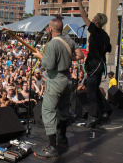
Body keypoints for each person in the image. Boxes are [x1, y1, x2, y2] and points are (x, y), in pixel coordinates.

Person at [32, 18, 84, 159]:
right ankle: (62, 139)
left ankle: (52, 147)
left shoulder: (51, 44)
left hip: (55, 81)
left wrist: (39, 56)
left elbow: (49, 65)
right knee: (62, 110)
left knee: (48, 111)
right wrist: (66, 58)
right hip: (67, 80)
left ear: (50, 29)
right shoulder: (69, 40)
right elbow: (80, 55)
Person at [76, 0, 112, 128]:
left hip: (94, 65)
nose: (92, 19)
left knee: (91, 92)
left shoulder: (95, 31)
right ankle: (103, 112)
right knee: (96, 89)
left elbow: (83, 15)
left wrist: (79, 0)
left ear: (96, 22)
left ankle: (92, 117)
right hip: (100, 64)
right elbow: (108, 49)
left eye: (94, 18)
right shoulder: (105, 35)